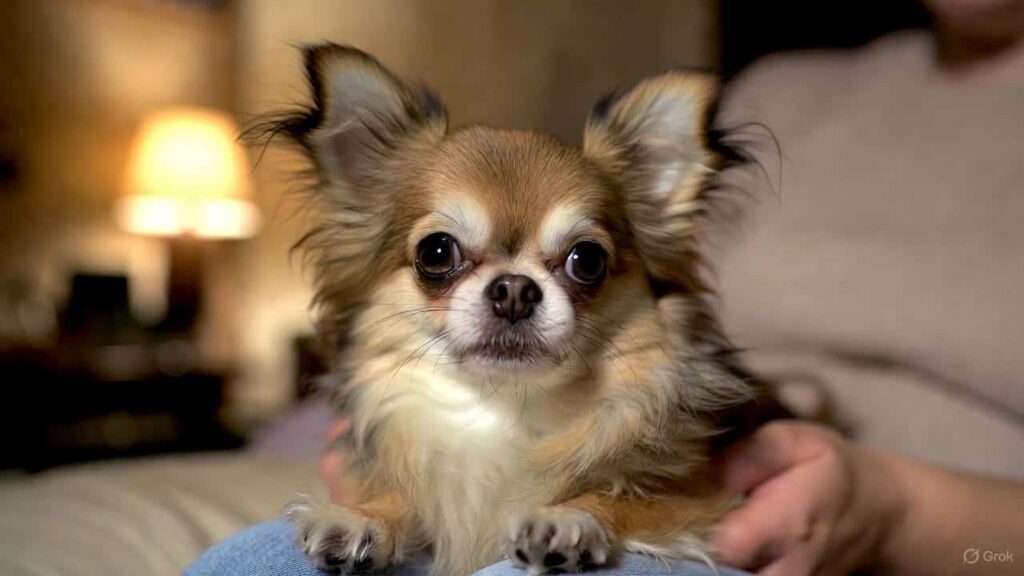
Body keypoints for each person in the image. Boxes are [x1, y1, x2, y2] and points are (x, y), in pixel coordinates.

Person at [189, 1, 1024, 574]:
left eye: (579, 263)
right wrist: (383, 479)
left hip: (815, 520)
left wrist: (900, 513)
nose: (513, 291)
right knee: (251, 563)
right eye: (445, 255)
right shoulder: (787, 87)